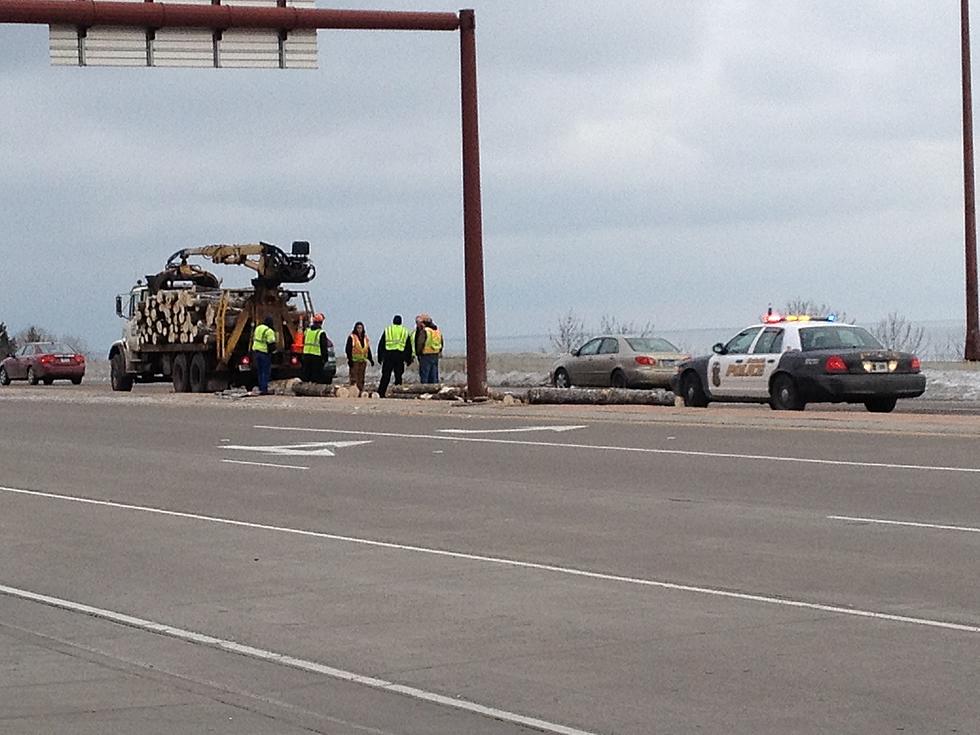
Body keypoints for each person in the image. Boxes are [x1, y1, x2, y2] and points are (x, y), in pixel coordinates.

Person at [377, 315, 413, 397]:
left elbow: (381, 344)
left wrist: (380, 357)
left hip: (388, 355)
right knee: (398, 375)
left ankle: (381, 392)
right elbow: (408, 347)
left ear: (393, 321)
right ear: (401, 322)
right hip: (400, 356)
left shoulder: (388, 330)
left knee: (385, 375)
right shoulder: (404, 331)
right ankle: (398, 392)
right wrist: (408, 359)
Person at [345, 321, 374, 393]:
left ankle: (360, 391)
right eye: (358, 328)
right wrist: (350, 359)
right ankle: (353, 392)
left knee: (361, 378)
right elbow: (348, 349)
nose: (359, 329)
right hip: (354, 361)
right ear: (355, 328)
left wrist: (370, 359)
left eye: (361, 328)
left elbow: (367, 349)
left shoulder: (365, 338)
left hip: (363, 361)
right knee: (354, 378)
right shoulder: (352, 337)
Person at [251, 314, 277, 395]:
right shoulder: (269, 331)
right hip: (264, 353)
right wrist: (273, 351)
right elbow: (271, 344)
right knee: (265, 372)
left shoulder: (258, 328)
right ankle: (264, 389)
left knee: (260, 371)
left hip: (256, 352)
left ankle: (260, 387)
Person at [302, 313, 330, 384]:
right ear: (321, 322)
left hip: (306, 355)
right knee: (316, 377)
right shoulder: (321, 333)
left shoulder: (307, 331)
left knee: (306, 375)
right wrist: (325, 358)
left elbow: (303, 341)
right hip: (317, 357)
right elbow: (323, 347)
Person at [418, 315, 443, 384]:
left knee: (425, 375)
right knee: (434, 375)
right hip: (435, 354)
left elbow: (420, 343)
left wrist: (419, 352)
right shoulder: (437, 331)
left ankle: (425, 391)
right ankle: (434, 390)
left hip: (426, 354)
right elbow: (441, 342)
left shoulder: (425, 331)